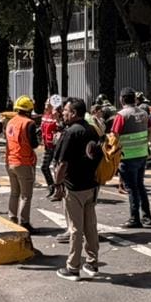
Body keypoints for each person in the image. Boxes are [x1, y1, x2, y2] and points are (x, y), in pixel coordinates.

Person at [53, 97, 103, 281]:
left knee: (75, 228)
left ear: (74, 113)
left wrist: (57, 184)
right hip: (92, 185)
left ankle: (73, 268)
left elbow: (62, 163)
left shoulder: (71, 133)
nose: (63, 113)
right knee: (90, 225)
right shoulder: (92, 130)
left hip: (74, 187)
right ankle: (92, 263)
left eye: (66, 110)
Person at [110, 88, 151, 228]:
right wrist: (146, 141)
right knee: (140, 185)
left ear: (121, 99)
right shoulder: (143, 113)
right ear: (134, 99)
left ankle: (134, 219)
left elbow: (114, 135)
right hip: (142, 154)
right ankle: (147, 217)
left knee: (132, 188)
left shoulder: (122, 115)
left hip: (127, 156)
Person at [4, 95, 40, 233]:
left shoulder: (10, 122)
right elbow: (34, 144)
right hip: (23, 162)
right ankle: (24, 222)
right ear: (29, 110)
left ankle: (12, 218)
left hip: (10, 161)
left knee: (14, 193)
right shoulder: (29, 123)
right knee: (26, 195)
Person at [39, 95, 63, 188]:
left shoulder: (58, 115)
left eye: (48, 102)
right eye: (46, 102)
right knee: (44, 167)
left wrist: (57, 118)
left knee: (56, 168)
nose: (46, 103)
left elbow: (62, 128)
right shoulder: (45, 115)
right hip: (47, 146)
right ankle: (52, 187)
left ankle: (59, 188)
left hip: (55, 146)